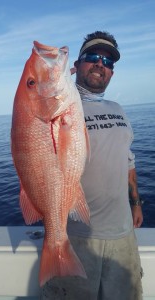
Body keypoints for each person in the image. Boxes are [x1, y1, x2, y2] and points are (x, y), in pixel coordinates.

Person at [41, 31, 143, 300]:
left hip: (123, 236)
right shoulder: (57, 107)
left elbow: (128, 160)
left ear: (112, 73)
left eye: (108, 62)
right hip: (76, 236)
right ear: (78, 63)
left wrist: (136, 202)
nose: (101, 64)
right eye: (93, 57)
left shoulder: (118, 108)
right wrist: (58, 79)